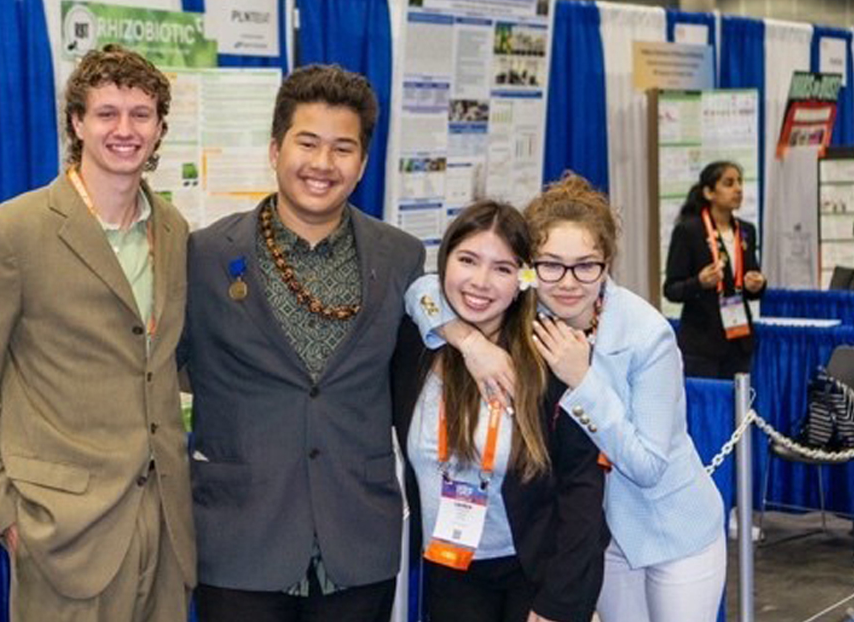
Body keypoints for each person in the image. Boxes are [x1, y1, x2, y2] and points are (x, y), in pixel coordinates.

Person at [0, 45, 195, 621]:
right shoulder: (11, 233)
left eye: (141, 114)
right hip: (62, 536)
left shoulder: (174, 231)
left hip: (164, 527)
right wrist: (4, 516)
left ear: (158, 129)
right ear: (77, 123)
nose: (124, 130)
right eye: (107, 113)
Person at [407, 174, 726, 622]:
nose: (568, 282)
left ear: (607, 264)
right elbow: (423, 290)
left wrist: (585, 383)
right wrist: (468, 342)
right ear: (528, 267)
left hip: (666, 526)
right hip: (602, 537)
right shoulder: (528, 313)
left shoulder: (644, 334)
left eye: (586, 265)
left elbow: (649, 466)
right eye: (550, 264)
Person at [180, 64, 425, 622]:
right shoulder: (204, 256)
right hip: (241, 538)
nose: (322, 164)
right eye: (307, 142)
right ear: (274, 149)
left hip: (358, 540)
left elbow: (415, 390)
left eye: (343, 149)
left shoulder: (400, 258)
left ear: (362, 165)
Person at [391, 200, 608, 622]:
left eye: (503, 269)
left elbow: (582, 491)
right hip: (448, 567)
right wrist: (470, 343)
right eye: (467, 260)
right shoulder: (415, 344)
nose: (480, 282)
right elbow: (414, 290)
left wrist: (560, 604)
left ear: (523, 280)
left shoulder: (552, 356)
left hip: (533, 572)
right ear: (445, 262)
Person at [664, 161, 766, 378]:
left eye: (740, 182)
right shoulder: (688, 231)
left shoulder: (746, 230)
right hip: (702, 343)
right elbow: (671, 289)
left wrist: (757, 284)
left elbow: (751, 285)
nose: (738, 189)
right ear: (709, 192)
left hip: (739, 340)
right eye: (729, 183)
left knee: (739, 405)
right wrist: (699, 282)